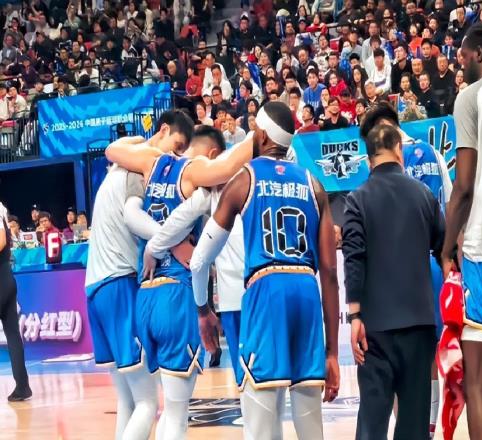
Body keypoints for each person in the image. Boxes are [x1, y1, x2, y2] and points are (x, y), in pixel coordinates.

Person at [190, 101, 340, 439]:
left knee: (259, 426)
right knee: (311, 428)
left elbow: (199, 260)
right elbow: (330, 272)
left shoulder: (245, 178)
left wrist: (202, 309)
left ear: (261, 135)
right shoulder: (314, 185)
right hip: (306, 290)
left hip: (267, 289)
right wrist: (332, 351)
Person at [105, 125, 255, 440]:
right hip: (176, 294)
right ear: (212, 153)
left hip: (145, 294)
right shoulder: (196, 172)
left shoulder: (150, 161)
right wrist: (262, 133)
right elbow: (229, 166)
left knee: (152, 406)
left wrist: (155, 245)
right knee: (175, 416)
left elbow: (111, 151)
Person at [85, 111, 194, 440]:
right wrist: (172, 241)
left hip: (95, 288)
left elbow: (115, 147)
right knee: (148, 403)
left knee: (129, 401)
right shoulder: (138, 169)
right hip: (119, 284)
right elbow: (133, 216)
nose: (177, 156)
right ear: (163, 130)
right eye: (176, 146)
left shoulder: (118, 165)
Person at [343, 121, 445, 440]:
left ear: (368, 159)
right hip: (419, 323)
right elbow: (443, 249)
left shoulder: (357, 199)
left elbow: (354, 258)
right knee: (414, 423)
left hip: (375, 327)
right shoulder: (424, 194)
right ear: (399, 151)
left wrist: (355, 316)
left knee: (372, 420)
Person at [441, 23, 482, 440]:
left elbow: (463, 187)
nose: (459, 65)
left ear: (478, 53)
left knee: (477, 384)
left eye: (462, 57)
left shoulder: (471, 97)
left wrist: (447, 247)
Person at [0, 202, 31, 401]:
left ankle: (23, 386)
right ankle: (22, 386)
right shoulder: (1, 207)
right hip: (6, 277)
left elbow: (1, 240)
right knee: (12, 334)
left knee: (12, 334)